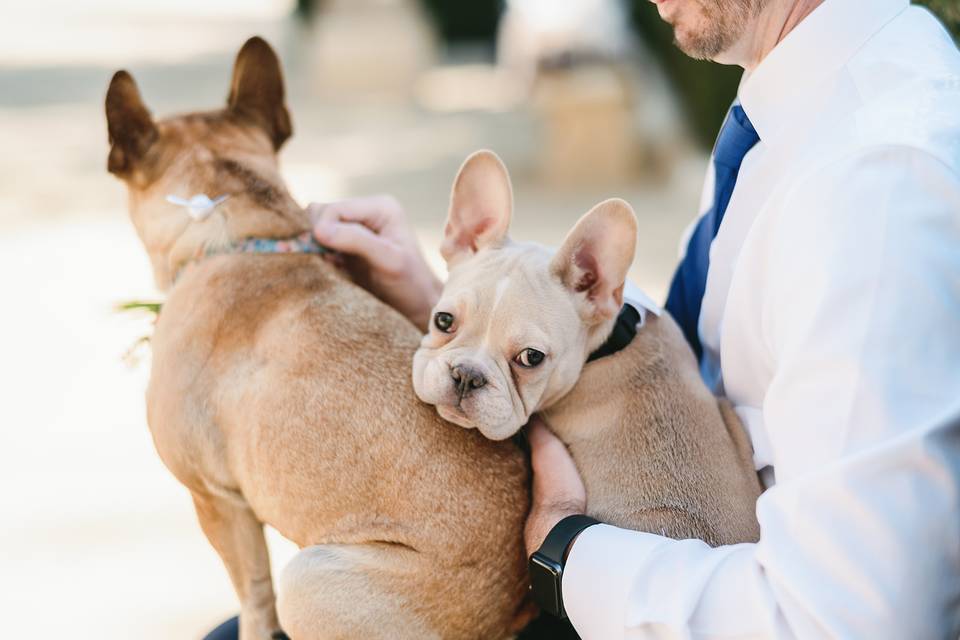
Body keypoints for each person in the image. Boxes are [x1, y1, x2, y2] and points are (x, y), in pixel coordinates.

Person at [298, 1, 960, 638]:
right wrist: (456, 306)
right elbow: (706, 359)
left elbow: (847, 622)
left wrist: (567, 550)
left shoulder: (877, 186)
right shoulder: (795, 97)